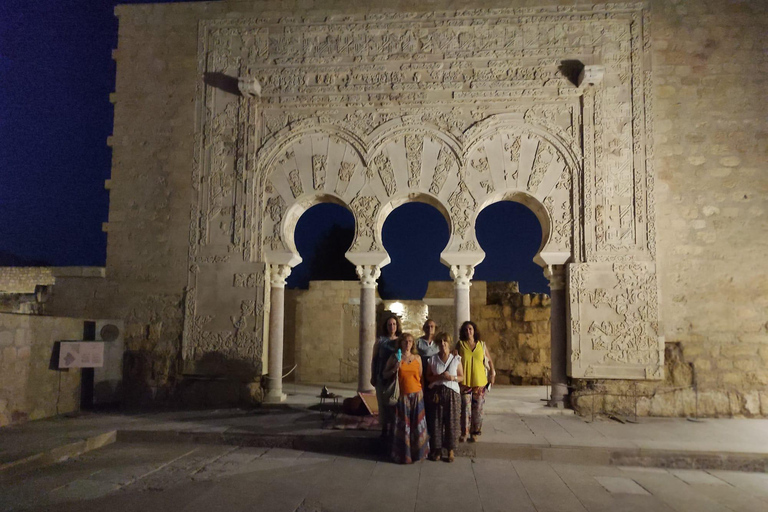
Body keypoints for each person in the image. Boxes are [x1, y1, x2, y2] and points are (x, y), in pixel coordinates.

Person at [383, 333, 430, 464]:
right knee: (403, 427)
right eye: (405, 341)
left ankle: (418, 454)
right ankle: (404, 455)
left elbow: (421, 378)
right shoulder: (394, 358)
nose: (408, 344)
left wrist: (423, 393)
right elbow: (385, 374)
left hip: (417, 395)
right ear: (401, 343)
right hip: (402, 396)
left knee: (417, 427)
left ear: (413, 344)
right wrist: (394, 369)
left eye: (410, 341)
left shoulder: (417, 358)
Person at [425, 332, 463, 462]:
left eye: (445, 341)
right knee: (436, 421)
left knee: (451, 421)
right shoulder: (433, 359)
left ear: (449, 343)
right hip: (436, 393)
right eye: (440, 342)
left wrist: (452, 377)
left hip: (452, 392)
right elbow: (428, 376)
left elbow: (462, 376)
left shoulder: (456, 359)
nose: (443, 344)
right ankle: (437, 450)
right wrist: (438, 377)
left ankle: (450, 450)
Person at [456, 320, 495, 443]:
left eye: (470, 329)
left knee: (478, 409)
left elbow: (489, 361)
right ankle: (464, 432)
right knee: (465, 408)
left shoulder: (481, 345)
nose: (468, 331)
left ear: (474, 331)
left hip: (480, 381)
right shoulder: (460, 345)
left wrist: (492, 374)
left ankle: (475, 432)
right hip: (465, 382)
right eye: (466, 329)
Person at [370, 314, 401, 439]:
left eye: (394, 324)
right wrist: (373, 375)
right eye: (389, 324)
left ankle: (394, 429)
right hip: (381, 375)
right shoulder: (380, 341)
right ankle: (384, 429)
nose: (392, 327)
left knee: (393, 403)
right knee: (382, 404)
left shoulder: (399, 341)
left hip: (394, 377)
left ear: (397, 326)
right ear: (386, 326)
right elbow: (375, 359)